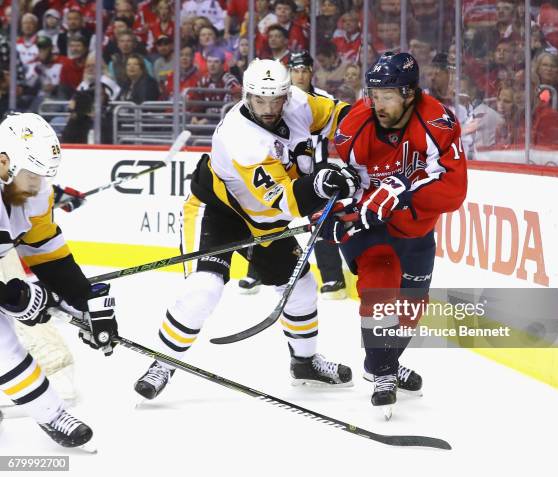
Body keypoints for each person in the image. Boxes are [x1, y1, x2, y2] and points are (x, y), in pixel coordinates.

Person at [133, 59, 359, 399]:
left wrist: (382, 135)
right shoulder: (241, 137)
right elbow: (284, 200)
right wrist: (323, 183)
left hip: (265, 221)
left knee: (301, 289)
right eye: (259, 101)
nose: (268, 109)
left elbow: (342, 116)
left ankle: (304, 363)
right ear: (246, 95)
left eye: (275, 100)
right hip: (219, 212)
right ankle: (162, 362)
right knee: (203, 290)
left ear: (285, 95)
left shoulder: (298, 101)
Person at [324, 52, 467, 417]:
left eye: (387, 95)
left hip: (415, 227)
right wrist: (338, 206)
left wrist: (402, 191)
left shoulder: (436, 121)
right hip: (368, 228)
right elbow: (341, 176)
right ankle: (385, 373)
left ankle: (379, 361)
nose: (378, 103)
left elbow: (454, 190)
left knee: (411, 310)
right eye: (374, 93)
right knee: (381, 278)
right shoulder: (357, 122)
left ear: (409, 94)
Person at [0, 112, 118, 448]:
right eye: (32, 174)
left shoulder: (29, 189)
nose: (38, 184)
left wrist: (85, 303)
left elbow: (48, 254)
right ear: (4, 160)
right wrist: (16, 297)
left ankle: (52, 415)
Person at [239, 50, 348, 298]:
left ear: (311, 72)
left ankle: (332, 278)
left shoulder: (319, 99)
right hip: (278, 168)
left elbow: (339, 128)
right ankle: (256, 272)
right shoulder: (273, 100)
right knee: (263, 219)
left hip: (315, 170)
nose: (300, 74)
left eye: (304, 70)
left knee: (321, 221)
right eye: (295, 70)